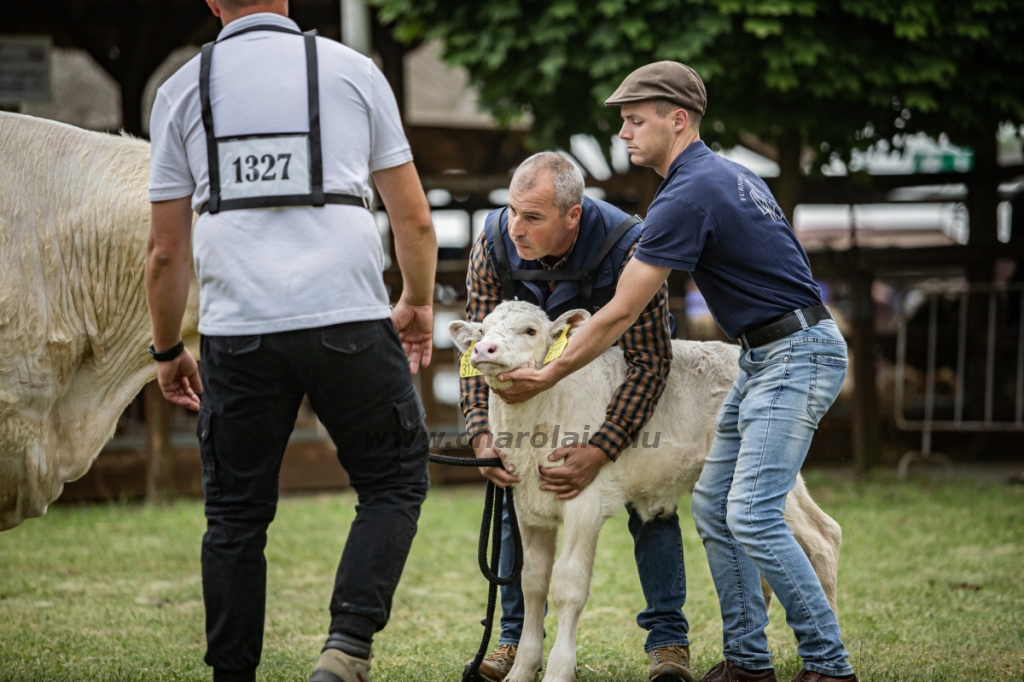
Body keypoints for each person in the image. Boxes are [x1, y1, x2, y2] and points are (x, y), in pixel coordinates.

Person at [496, 62, 857, 682]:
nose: (625, 135)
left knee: (752, 512)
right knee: (716, 504)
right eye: (624, 123)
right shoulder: (730, 176)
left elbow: (620, 314)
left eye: (636, 122)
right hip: (765, 352)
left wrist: (550, 375)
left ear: (678, 120)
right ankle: (748, 661)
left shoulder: (687, 193)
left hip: (793, 352)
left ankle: (828, 664)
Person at [144, 1, 436, 681]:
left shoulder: (181, 89)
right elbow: (415, 219)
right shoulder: (352, 70)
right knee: (393, 478)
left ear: (214, 3)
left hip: (238, 329)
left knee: (236, 517)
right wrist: (417, 301)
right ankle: (346, 648)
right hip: (347, 315)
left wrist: (166, 350)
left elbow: (165, 251)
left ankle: (232, 675)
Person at [460, 152, 694, 682]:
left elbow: (651, 360)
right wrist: (482, 436)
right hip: (534, 398)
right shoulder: (493, 242)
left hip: (621, 381)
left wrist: (603, 446)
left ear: (574, 215)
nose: (516, 228)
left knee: (648, 497)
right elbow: (475, 352)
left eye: (534, 217)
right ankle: (517, 641)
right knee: (515, 489)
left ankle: (667, 642)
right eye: (512, 211)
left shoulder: (631, 246)